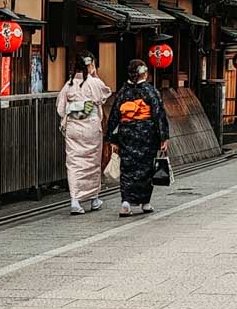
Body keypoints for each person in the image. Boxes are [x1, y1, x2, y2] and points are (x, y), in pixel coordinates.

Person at [105, 59, 170, 216]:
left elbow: (114, 115)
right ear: (145, 73)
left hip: (126, 133)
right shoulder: (150, 91)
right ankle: (145, 202)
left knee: (127, 167)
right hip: (147, 134)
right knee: (146, 168)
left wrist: (110, 137)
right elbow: (158, 114)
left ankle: (126, 203)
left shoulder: (123, 92)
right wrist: (163, 137)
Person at [57, 52, 111, 215]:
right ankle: (94, 197)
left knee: (74, 162)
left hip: (74, 127)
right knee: (92, 161)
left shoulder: (68, 85)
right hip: (91, 126)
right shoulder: (94, 82)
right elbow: (105, 94)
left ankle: (75, 200)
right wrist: (94, 74)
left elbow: (61, 108)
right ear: (90, 65)